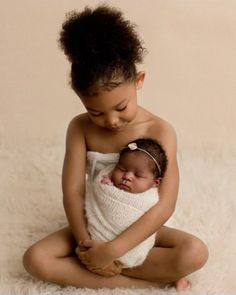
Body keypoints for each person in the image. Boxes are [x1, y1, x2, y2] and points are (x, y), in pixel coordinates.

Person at [23, 5, 208, 291]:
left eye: (121, 107)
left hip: (141, 231)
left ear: (139, 81)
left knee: (195, 252)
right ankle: (139, 282)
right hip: (94, 225)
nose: (110, 120)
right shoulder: (80, 128)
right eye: (95, 112)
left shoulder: (159, 130)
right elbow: (73, 192)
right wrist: (89, 248)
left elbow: (165, 205)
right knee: (35, 259)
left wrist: (111, 252)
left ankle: (114, 270)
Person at [81, 138, 167, 271]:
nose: (127, 176)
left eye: (138, 175)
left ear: (155, 182)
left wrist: (112, 250)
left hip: (131, 240)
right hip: (97, 237)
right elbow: (96, 200)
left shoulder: (150, 200)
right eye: (121, 168)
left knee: (192, 251)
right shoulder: (105, 182)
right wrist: (106, 185)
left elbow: (152, 221)